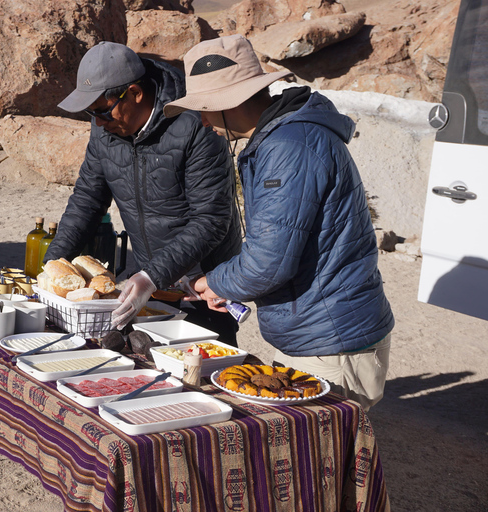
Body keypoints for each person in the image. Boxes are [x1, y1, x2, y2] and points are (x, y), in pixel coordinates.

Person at [163, 35, 394, 410]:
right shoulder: (286, 136)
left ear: (229, 102)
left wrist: (213, 281)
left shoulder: (287, 147)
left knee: (323, 457)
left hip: (331, 339)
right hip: (325, 333)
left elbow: (268, 261)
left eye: (205, 108)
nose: (203, 122)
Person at [44, 41, 243, 343]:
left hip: (205, 285)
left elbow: (212, 219)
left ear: (135, 94)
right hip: (149, 280)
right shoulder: (106, 129)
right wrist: (51, 270)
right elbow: (86, 201)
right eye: (91, 114)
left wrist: (152, 276)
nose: (98, 122)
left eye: (102, 112)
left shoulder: (196, 123)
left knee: (204, 368)